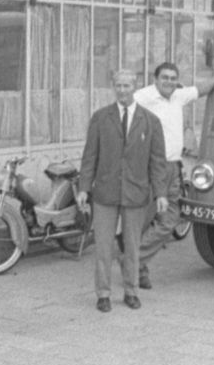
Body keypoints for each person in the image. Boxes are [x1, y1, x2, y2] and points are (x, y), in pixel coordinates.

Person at [78, 69, 168, 312]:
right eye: (118, 85)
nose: (122, 90)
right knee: (103, 246)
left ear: (134, 87)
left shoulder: (150, 121)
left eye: (127, 86)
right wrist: (84, 188)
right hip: (105, 192)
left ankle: (131, 290)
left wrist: (160, 194)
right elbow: (90, 156)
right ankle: (103, 294)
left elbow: (157, 161)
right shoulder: (100, 118)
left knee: (132, 246)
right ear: (113, 87)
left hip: (135, 192)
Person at [134, 61, 203, 286]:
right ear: (155, 79)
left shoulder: (178, 96)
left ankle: (133, 261)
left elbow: (200, 89)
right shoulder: (142, 97)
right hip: (151, 166)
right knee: (145, 220)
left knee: (170, 219)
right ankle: (138, 269)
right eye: (165, 77)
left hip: (173, 166)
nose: (169, 82)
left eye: (173, 78)